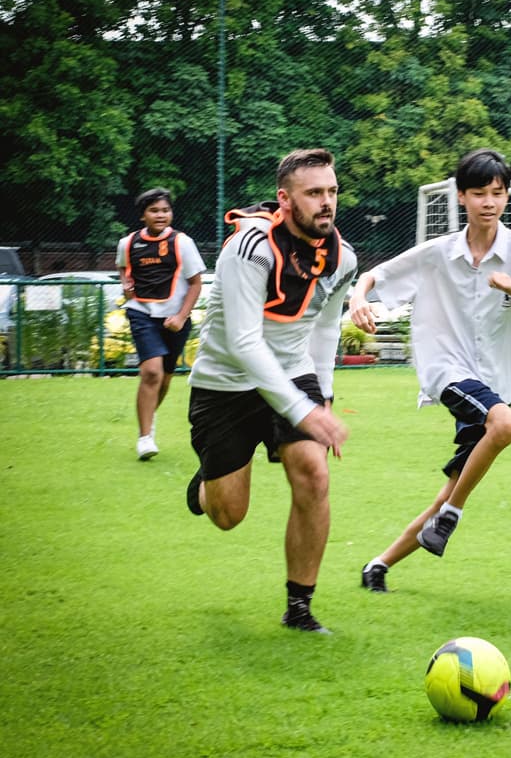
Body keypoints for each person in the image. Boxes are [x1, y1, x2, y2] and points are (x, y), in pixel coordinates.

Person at [350, 148, 511, 593]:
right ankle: (453, 516)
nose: (489, 202)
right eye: (479, 193)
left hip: (495, 382)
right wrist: (360, 299)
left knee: (452, 487)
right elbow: (373, 276)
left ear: (507, 196)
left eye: (497, 193)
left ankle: (378, 565)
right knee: (507, 423)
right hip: (446, 370)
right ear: (461, 197)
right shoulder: (439, 252)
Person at [186, 148, 355, 633]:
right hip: (225, 384)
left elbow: (324, 327)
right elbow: (243, 343)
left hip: (292, 372)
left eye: (332, 192)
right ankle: (203, 488)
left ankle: (299, 606)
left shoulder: (342, 256)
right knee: (227, 515)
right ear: (284, 199)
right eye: (314, 193)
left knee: (313, 474)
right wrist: (302, 411)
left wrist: (320, 397)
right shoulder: (249, 248)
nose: (327, 203)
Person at [117, 188, 205, 460]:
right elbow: (122, 267)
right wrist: (125, 283)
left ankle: (149, 418)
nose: (161, 215)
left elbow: (195, 283)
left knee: (165, 377)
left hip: (175, 319)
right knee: (152, 373)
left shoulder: (183, 243)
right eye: (154, 210)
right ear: (143, 215)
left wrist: (180, 317)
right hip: (141, 313)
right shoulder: (128, 243)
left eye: (165, 210)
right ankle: (145, 438)